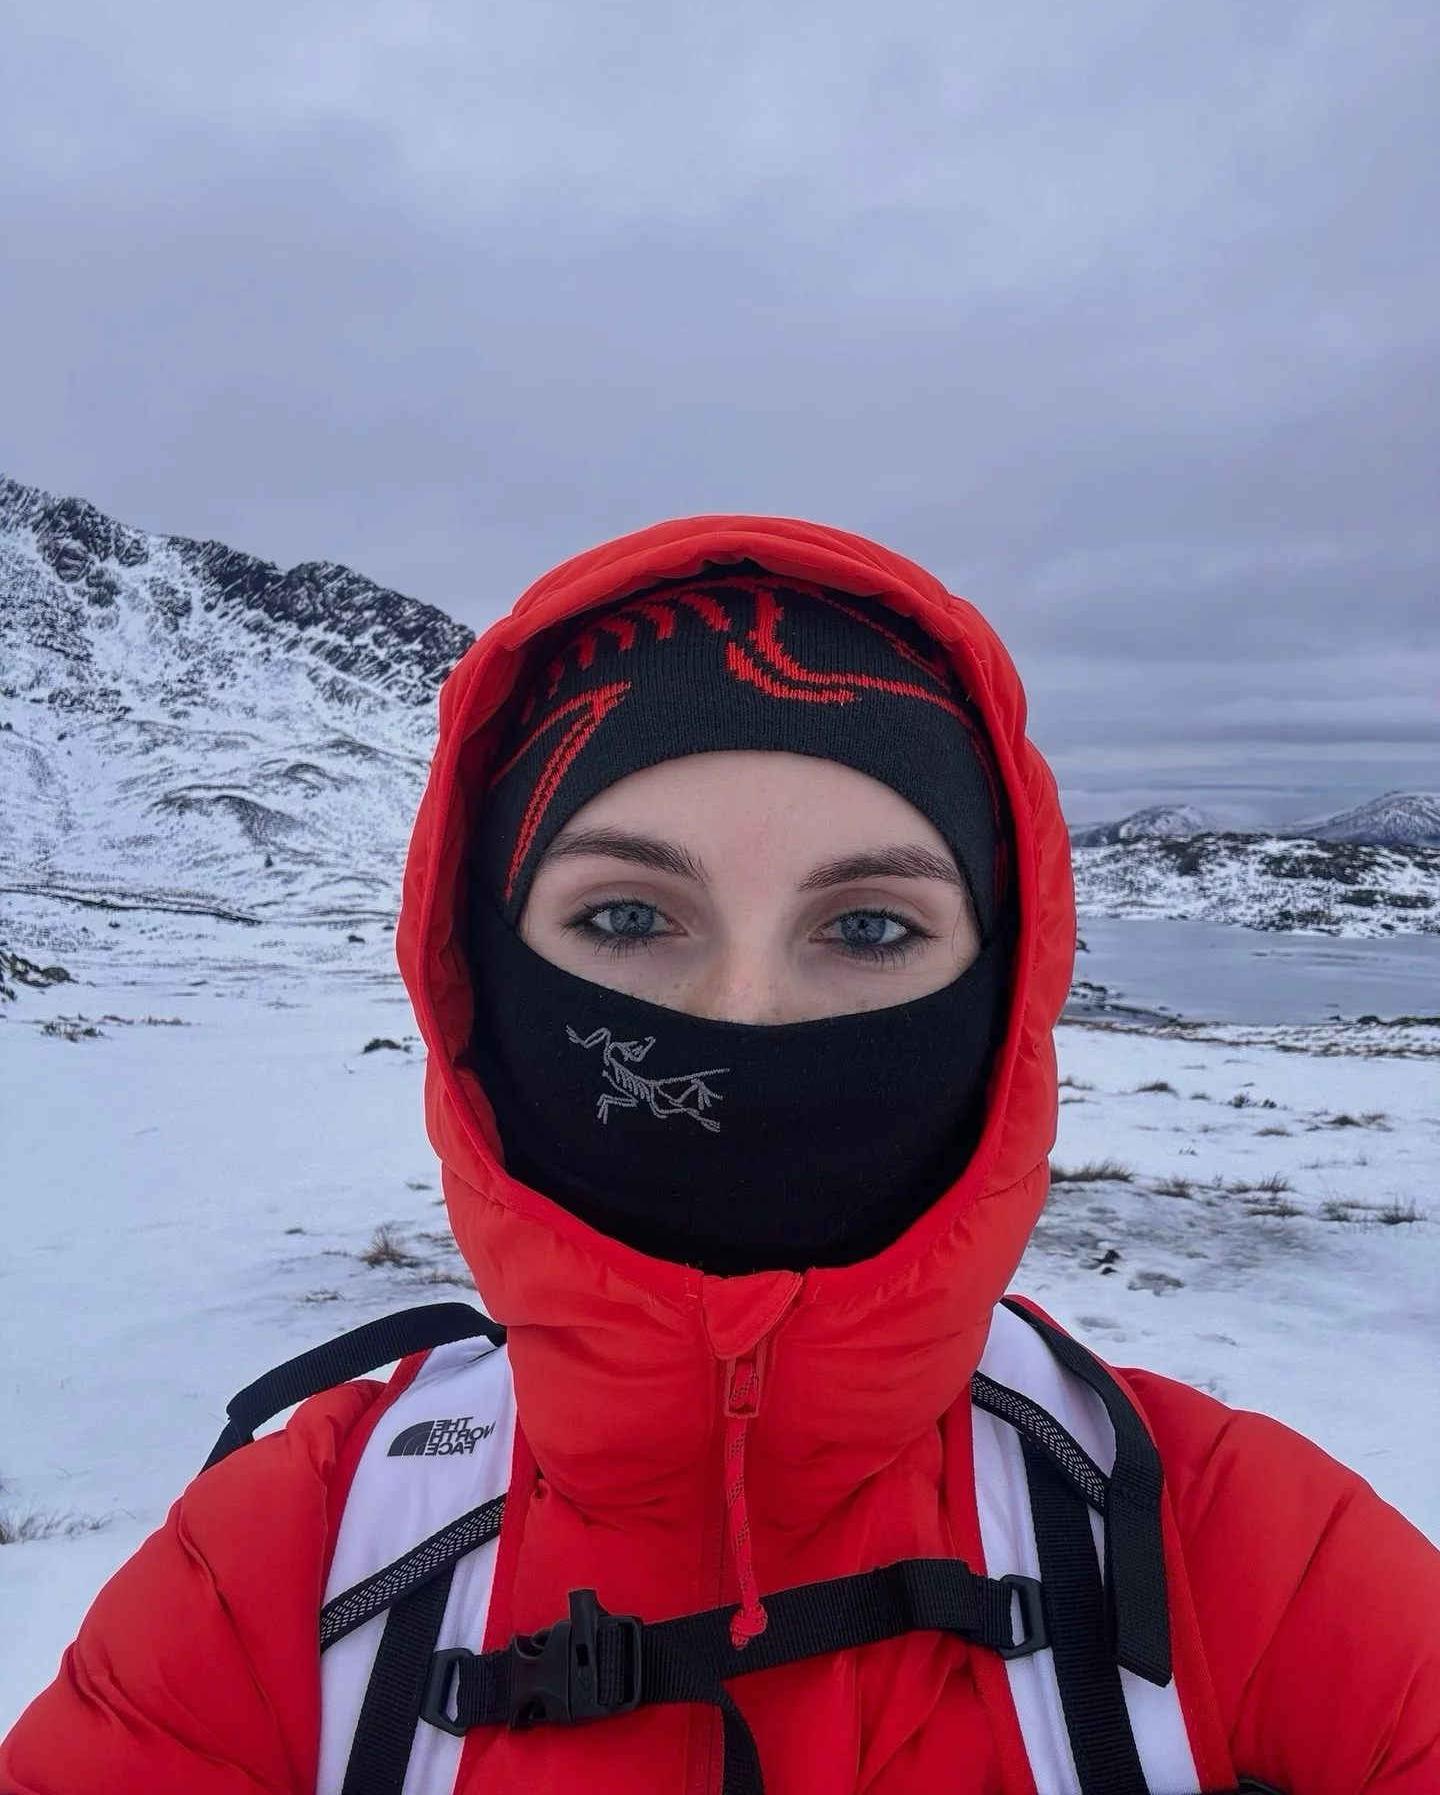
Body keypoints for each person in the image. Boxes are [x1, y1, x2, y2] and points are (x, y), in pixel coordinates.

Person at [3, 515, 1436, 1795]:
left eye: (869, 928)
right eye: (627, 920)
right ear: (481, 985)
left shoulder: (1244, 1553)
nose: (745, 1019)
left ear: (1002, 1005)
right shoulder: (281, 1569)